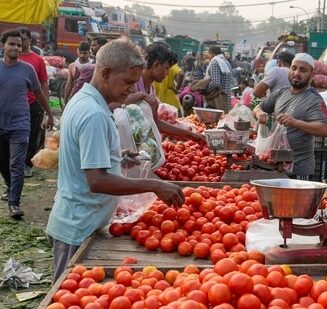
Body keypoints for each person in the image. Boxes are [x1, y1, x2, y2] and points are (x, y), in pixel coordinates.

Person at [46, 40, 185, 281]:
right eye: (128, 82)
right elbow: (97, 181)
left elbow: (85, 158)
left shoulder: (84, 101)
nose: (132, 90)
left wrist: (116, 158)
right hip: (78, 227)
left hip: (79, 220)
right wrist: (155, 185)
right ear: (106, 73)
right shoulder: (94, 114)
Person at [0, 29, 54, 218]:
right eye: (11, 44)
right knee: (3, 163)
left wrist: (49, 113)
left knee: (17, 164)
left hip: (20, 124)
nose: (15, 47)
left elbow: (39, 93)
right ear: (3, 45)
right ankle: (9, 185)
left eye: (18, 44)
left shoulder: (27, 69)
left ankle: (14, 203)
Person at [253, 53, 327, 179]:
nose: (297, 73)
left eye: (303, 70)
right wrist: (260, 113)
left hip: (298, 171)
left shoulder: (314, 99)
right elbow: (258, 107)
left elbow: (324, 129)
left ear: (311, 75)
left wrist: (295, 122)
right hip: (276, 165)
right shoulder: (281, 92)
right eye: (294, 68)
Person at [111, 42, 205, 143]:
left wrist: (191, 134)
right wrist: (141, 95)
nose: (168, 73)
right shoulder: (132, 82)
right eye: (166, 68)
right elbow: (112, 105)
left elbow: (156, 123)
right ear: (156, 65)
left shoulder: (150, 89)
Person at [18, 27, 50, 178]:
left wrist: (46, 108)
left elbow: (44, 84)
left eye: (24, 39)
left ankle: (27, 164)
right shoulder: (12, 58)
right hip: (15, 104)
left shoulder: (37, 60)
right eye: (19, 38)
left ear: (30, 40)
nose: (21, 42)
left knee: (32, 134)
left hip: (33, 103)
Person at [204, 45, 233, 111]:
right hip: (226, 98)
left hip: (217, 100)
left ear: (211, 53)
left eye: (208, 54)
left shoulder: (215, 62)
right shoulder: (226, 62)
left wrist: (205, 90)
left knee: (214, 119)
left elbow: (215, 83)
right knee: (224, 119)